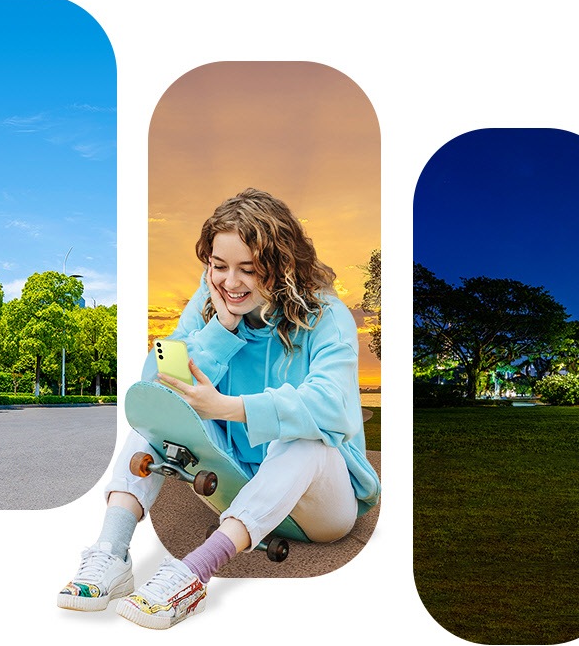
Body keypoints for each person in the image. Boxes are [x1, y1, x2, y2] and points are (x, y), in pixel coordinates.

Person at [56, 188, 380, 629]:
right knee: (156, 415)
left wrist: (229, 407)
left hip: (318, 511)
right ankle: (110, 555)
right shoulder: (209, 303)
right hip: (235, 487)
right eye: (219, 266)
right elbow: (155, 380)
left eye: (248, 269)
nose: (230, 282)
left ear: (283, 265)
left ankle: (191, 575)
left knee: (309, 443)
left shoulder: (327, 316)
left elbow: (334, 405)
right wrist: (221, 328)